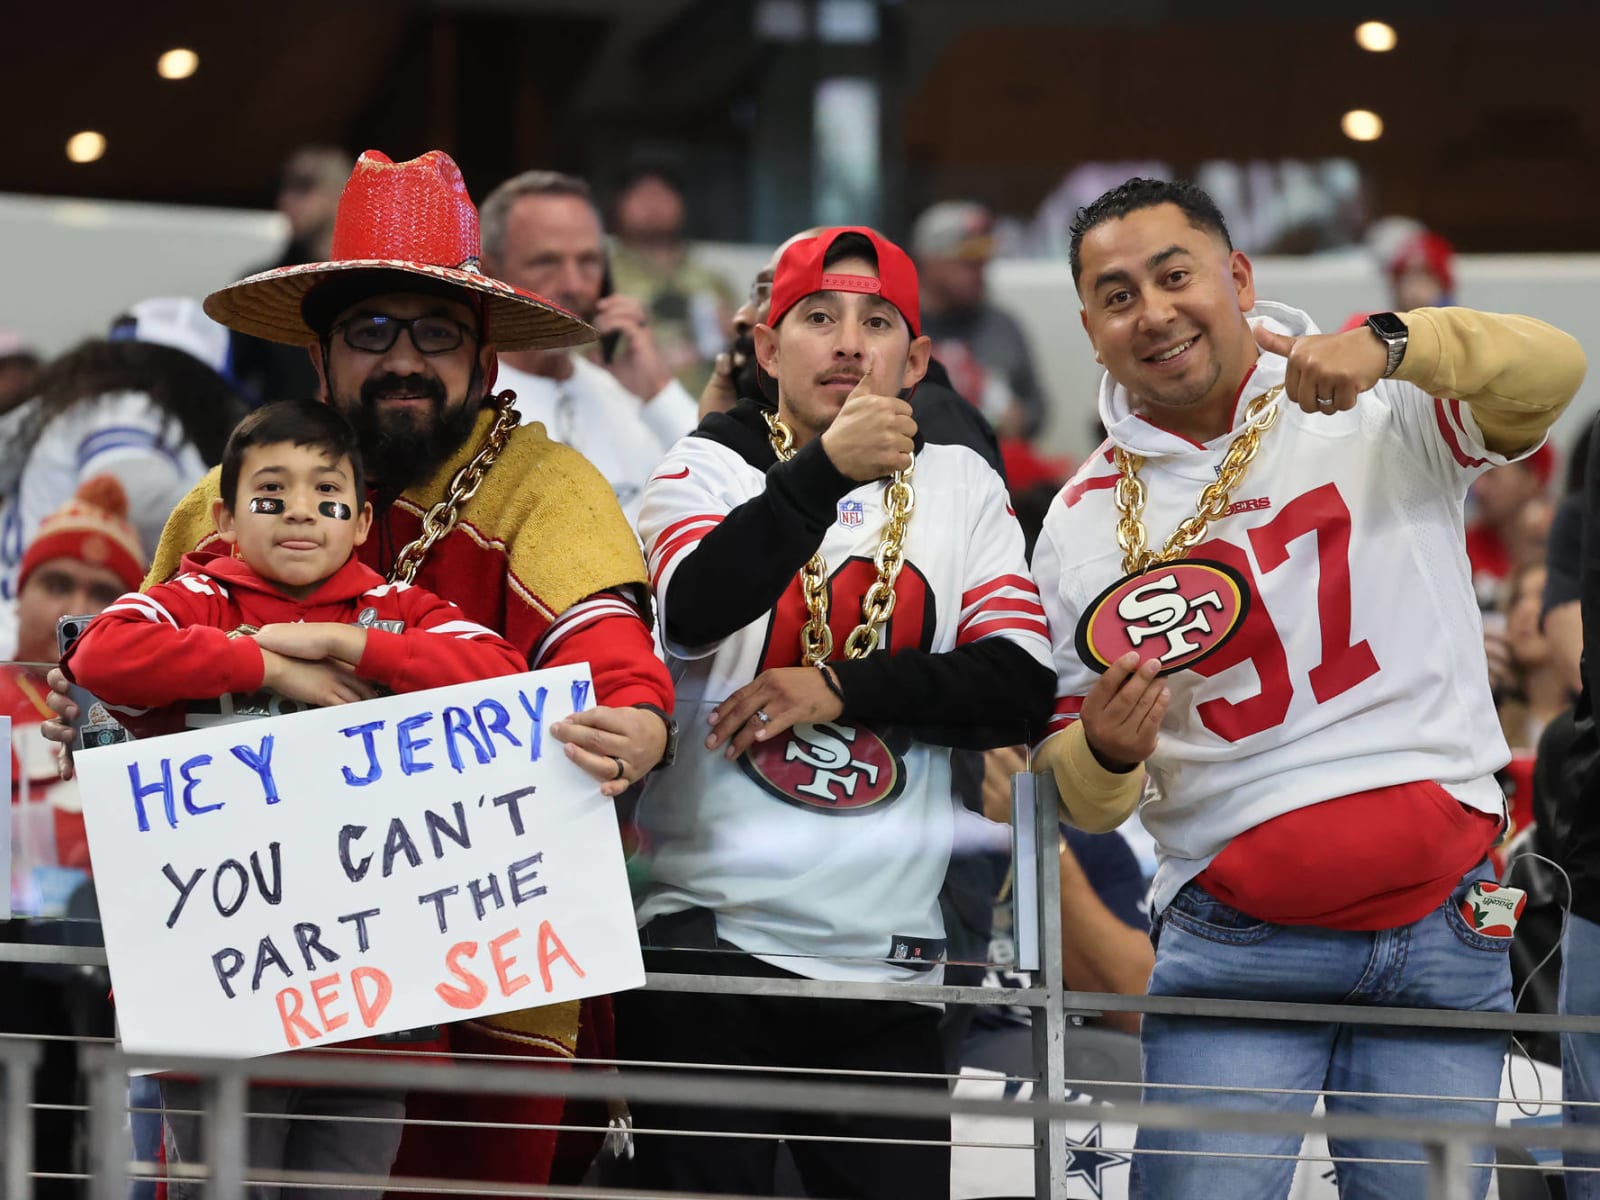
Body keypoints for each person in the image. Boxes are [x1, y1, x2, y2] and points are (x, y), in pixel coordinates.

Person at [43, 148, 676, 1196]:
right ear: (321, 360)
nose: (404, 360)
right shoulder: (227, 496)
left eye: (435, 332)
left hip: (472, 982)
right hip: (245, 962)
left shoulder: (546, 490)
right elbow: (130, 662)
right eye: (371, 331)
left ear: (484, 359)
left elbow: (601, 639)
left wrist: (639, 716)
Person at [1029, 177, 1584, 1198]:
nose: (1151, 311)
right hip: (1239, 941)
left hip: (1444, 924)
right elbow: (1077, 794)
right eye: (1116, 295)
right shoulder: (1074, 520)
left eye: (1173, 274)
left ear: (1236, 278)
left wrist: (1392, 339)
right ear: (1088, 329)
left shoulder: (1381, 393)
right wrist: (1107, 748)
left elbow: (1555, 367)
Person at [620, 225, 1054, 1197]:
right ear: (770, 350)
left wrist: (844, 686)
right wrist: (822, 473)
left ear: (918, 359)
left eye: (876, 321)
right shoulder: (699, 468)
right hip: (709, 946)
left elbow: (1020, 683)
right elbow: (692, 607)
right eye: (817, 318)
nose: (849, 343)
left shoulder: (962, 483)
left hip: (887, 970)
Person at [61, 400, 528, 1200]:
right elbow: (102, 653)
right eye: (272, 498)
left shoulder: (398, 611)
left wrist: (349, 645)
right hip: (217, 1004)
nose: (302, 514)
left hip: (375, 1009)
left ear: (361, 523)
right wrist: (269, 668)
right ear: (226, 519)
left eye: (329, 498)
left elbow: (510, 681)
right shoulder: (190, 599)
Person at [1, 475, 145, 1200]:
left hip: (123, 961)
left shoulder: (149, 707)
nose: (76, 609)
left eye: (101, 592)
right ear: (19, 592)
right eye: (56, 582)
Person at [0, 299, 246, 658]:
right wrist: (248, 531)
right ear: (195, 378)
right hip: (48, 645)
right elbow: (136, 493)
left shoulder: (85, 406)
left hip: (27, 636)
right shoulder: (127, 409)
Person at [477, 169, 699, 527]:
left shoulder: (629, 392)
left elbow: (727, 493)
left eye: (588, 261)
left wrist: (658, 391)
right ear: (489, 273)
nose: (573, 284)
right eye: (545, 262)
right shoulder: (467, 400)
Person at [910, 199, 1048, 440]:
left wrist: (1020, 418)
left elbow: (1037, 406)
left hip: (993, 463)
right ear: (930, 259)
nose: (980, 272)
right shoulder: (898, 327)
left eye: (983, 262)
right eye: (968, 262)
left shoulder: (1002, 327)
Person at [229, 145, 355, 406]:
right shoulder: (261, 287)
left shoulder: (373, 280)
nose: (285, 200)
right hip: (279, 435)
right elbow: (231, 382)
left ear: (340, 193)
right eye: (284, 187)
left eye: (304, 186)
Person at [608, 161, 737, 393]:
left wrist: (736, 336)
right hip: (623, 408)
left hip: (703, 411)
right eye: (641, 195)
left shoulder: (711, 280)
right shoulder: (598, 277)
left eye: (662, 194)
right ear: (619, 205)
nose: (653, 205)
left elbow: (744, 356)